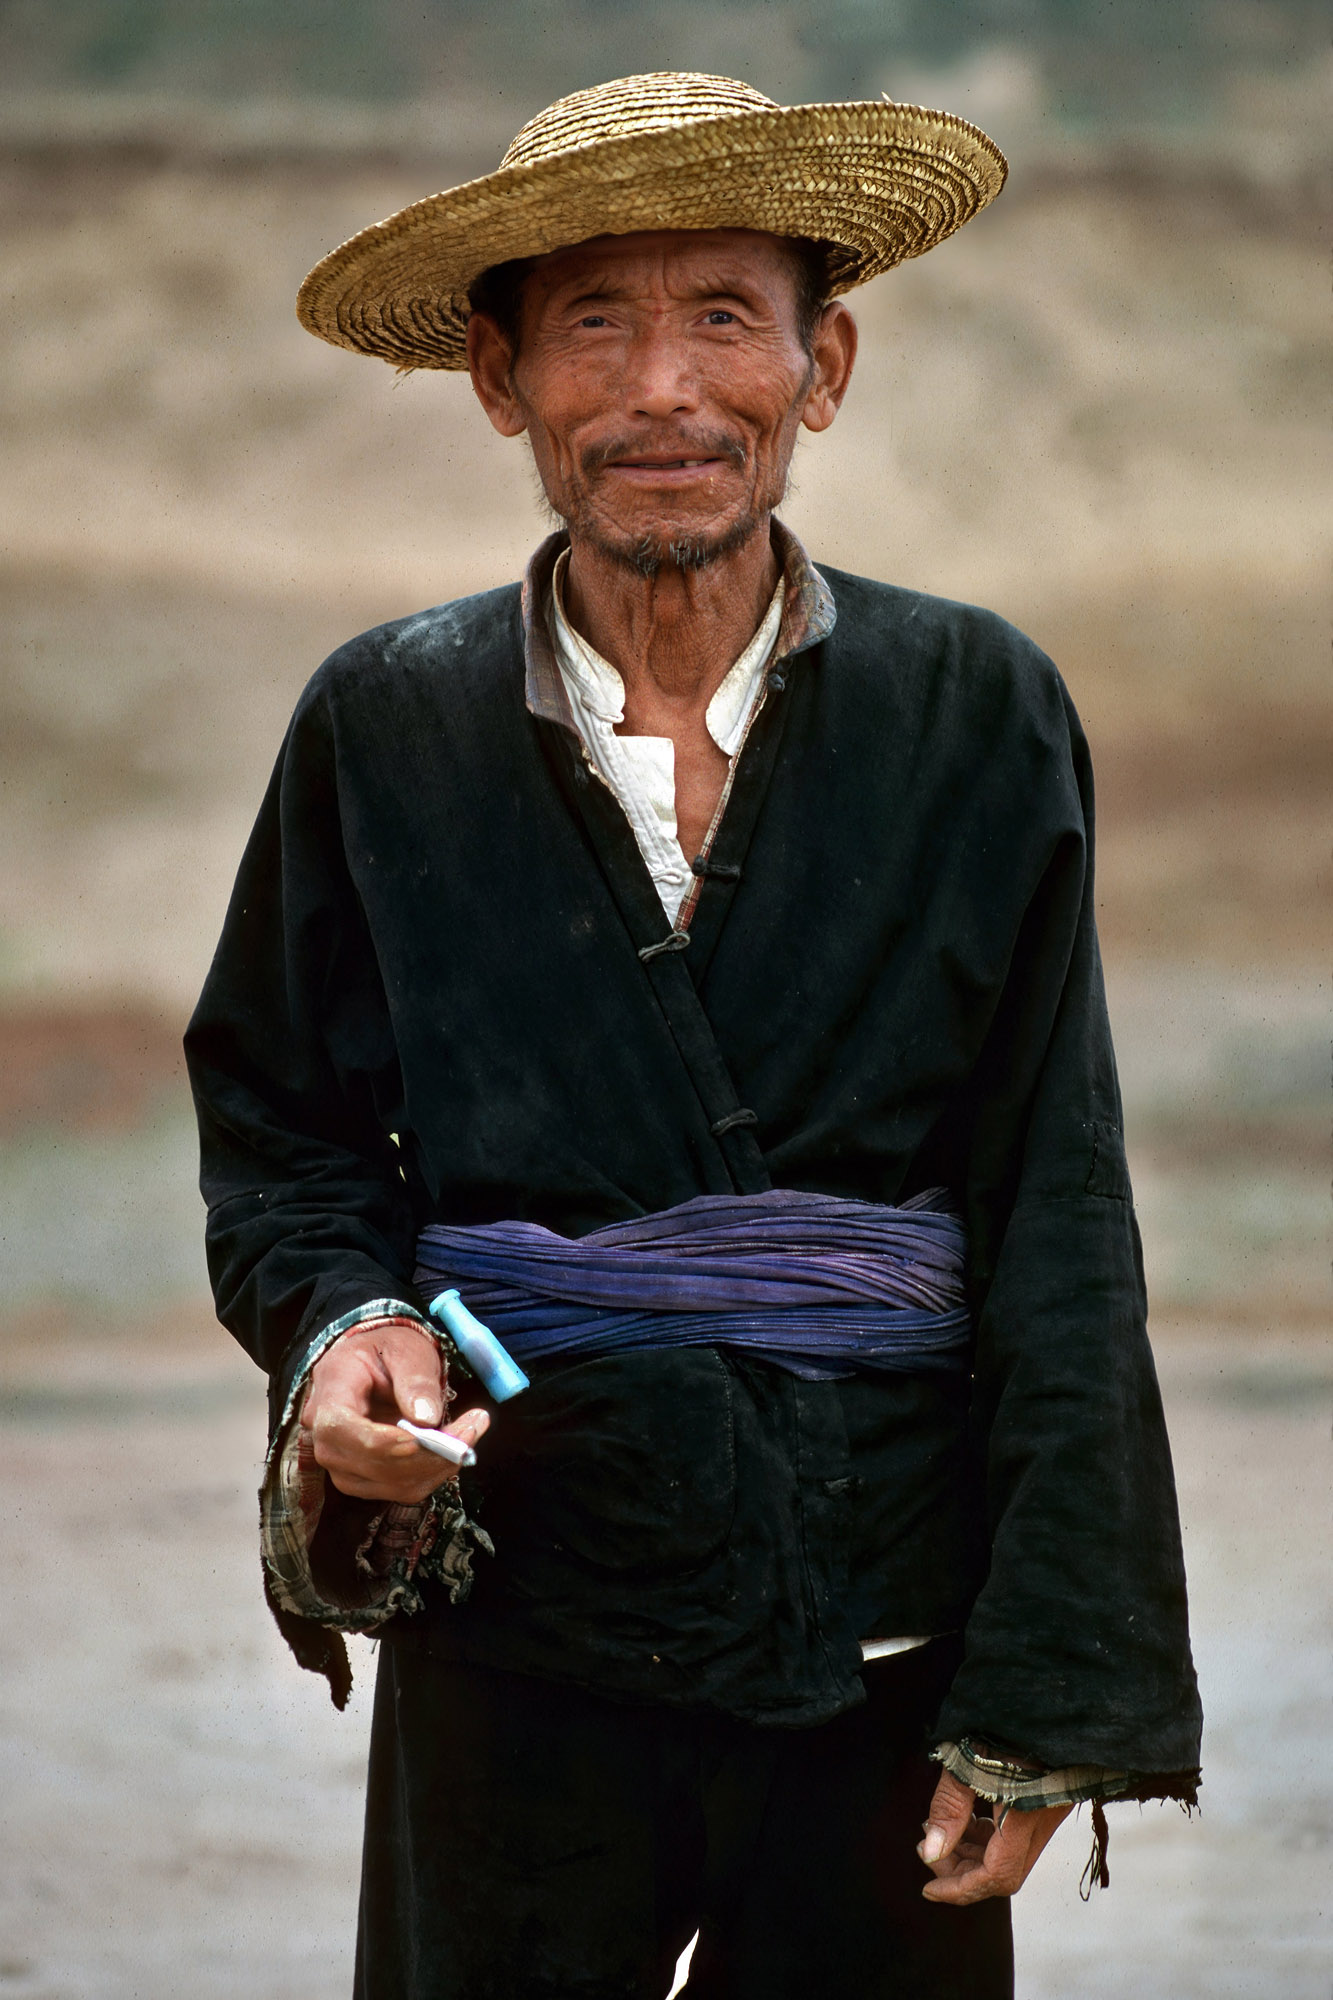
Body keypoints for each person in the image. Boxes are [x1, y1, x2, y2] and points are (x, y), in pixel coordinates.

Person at [186, 71, 1201, 2000]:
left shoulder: (975, 710)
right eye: (594, 323)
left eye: (724, 317)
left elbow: (1053, 1198)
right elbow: (286, 1135)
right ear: (498, 378)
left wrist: (1059, 1678)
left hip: (881, 1627)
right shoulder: (381, 726)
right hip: (523, 1617)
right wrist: (345, 1335)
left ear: (824, 366)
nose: (663, 389)